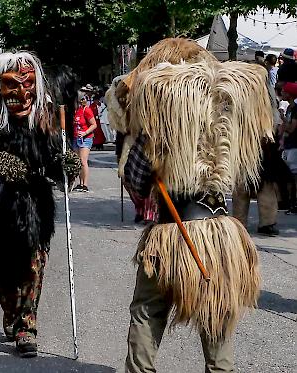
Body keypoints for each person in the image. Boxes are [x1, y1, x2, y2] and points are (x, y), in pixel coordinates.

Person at [114, 38, 266, 373]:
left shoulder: (159, 119)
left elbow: (136, 179)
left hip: (173, 232)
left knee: (147, 310)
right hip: (220, 232)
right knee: (218, 312)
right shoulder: (226, 109)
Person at [0, 52, 79, 357]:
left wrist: (64, 165)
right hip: (1, 203)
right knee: (4, 268)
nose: (22, 93)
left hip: (37, 200)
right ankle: (11, 313)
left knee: (34, 264)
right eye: (12, 86)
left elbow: (55, 158)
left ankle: (26, 327)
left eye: (28, 84)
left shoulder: (45, 119)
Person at [72, 94, 97, 192]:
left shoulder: (86, 110)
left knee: (83, 160)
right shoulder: (75, 111)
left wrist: (85, 132)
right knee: (78, 161)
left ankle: (85, 184)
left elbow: (94, 124)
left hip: (86, 138)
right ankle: (80, 183)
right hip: (76, 138)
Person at [281, 82, 297, 214]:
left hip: (294, 145)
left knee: (294, 176)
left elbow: (291, 128)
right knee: (289, 176)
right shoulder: (290, 109)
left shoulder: (295, 109)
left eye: (284, 91)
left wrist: (285, 126)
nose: (282, 93)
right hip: (288, 144)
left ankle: (294, 203)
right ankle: (291, 203)